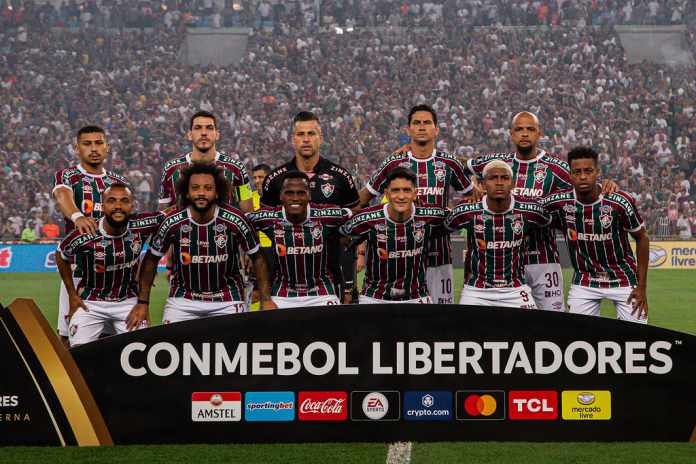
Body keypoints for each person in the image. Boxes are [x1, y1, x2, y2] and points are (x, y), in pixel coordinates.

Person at [466, 112, 618, 312]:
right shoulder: (497, 163)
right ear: (511, 134)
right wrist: (472, 187)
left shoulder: (556, 168)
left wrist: (607, 184)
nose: (525, 134)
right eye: (519, 129)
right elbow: (462, 166)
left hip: (543, 260)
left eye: (530, 129)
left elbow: (587, 187)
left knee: (553, 323)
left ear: (539, 134)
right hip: (505, 264)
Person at [358, 104, 473, 304]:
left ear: (436, 129)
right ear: (408, 129)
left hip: (439, 258)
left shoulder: (449, 164)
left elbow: (474, 198)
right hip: (399, 261)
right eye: (416, 123)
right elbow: (361, 200)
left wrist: (452, 215)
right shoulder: (393, 162)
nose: (421, 127)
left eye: (427, 123)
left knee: (438, 327)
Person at [135, 163, 275, 324]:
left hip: (227, 300)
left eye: (208, 188)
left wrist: (266, 299)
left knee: (235, 347)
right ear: (186, 193)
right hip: (182, 301)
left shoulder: (235, 220)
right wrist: (142, 303)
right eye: (195, 188)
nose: (201, 193)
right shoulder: (172, 222)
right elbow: (151, 259)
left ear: (217, 192)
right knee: (172, 346)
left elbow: (257, 257)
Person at [540, 146, 649, 323]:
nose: (583, 176)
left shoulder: (619, 201)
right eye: (577, 172)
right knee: (579, 340)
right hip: (585, 281)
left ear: (597, 172)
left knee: (638, 339)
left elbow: (642, 237)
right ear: (570, 174)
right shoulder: (559, 202)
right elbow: (526, 209)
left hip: (623, 280)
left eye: (588, 171)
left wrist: (642, 286)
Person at [261, 111, 360, 302]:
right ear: (293, 139)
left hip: (329, 276)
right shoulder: (275, 179)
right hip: (284, 280)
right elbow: (263, 221)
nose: (306, 139)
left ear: (320, 138)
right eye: (300, 134)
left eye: (311, 134)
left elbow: (355, 216)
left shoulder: (340, 176)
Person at [55, 183, 163, 347]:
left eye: (124, 201)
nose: (118, 206)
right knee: (77, 355)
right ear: (103, 206)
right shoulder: (86, 234)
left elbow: (172, 214)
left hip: (128, 302)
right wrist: (72, 294)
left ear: (132, 205)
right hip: (90, 303)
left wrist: (143, 303)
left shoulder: (142, 224)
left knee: (141, 352)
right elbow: (61, 253)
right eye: (111, 201)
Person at [52, 125, 131, 344]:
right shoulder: (68, 175)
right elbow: (62, 195)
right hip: (80, 272)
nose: (94, 148)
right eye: (87, 144)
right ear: (77, 148)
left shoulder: (119, 183)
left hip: (116, 273)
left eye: (99, 143)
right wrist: (77, 216)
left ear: (107, 147)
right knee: (68, 338)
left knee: (117, 342)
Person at [446, 161, 551, 309]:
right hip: (476, 291)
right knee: (465, 331)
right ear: (482, 184)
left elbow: (549, 223)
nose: (499, 183)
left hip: (516, 290)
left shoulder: (530, 211)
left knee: (531, 330)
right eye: (493, 178)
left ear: (513, 184)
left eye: (505, 178)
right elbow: (442, 228)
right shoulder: (466, 211)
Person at [340, 168, 446, 304]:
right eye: (395, 190)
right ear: (386, 194)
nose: (401, 196)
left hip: (416, 297)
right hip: (375, 298)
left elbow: (458, 219)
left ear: (415, 194)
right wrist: (347, 288)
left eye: (407, 190)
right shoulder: (366, 218)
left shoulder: (431, 216)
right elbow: (341, 242)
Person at [248, 172, 352, 308]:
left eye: (301, 193)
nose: (295, 198)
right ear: (281, 196)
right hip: (282, 293)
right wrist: (248, 251)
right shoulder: (269, 218)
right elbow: (239, 223)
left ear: (309, 195)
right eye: (289, 193)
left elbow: (353, 216)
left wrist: (346, 237)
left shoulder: (327, 215)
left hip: (321, 292)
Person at [158, 110, 253, 212]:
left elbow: (248, 213)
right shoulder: (171, 169)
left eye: (209, 128)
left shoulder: (236, 168)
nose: (203, 133)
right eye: (198, 128)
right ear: (189, 135)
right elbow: (163, 215)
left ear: (217, 134)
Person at [248, 163, 274, 309]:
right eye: (255, 178)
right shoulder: (249, 200)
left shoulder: (279, 198)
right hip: (257, 252)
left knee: (273, 294)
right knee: (255, 294)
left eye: (261, 177)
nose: (257, 180)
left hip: (274, 251)